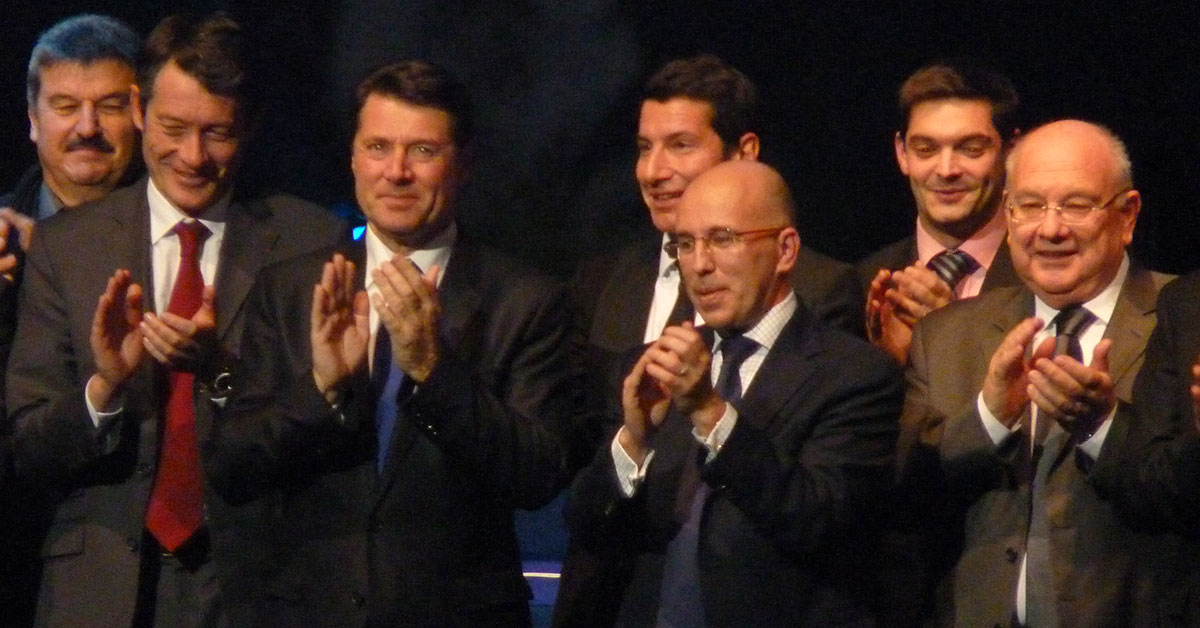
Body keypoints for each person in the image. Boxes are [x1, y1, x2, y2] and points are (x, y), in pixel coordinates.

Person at [203, 60, 576, 627]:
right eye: (378, 147)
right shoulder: (290, 289)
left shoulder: (524, 301)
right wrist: (321, 389)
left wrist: (434, 372)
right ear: (354, 158)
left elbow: (537, 477)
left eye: (422, 151)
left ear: (463, 163)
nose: (396, 172)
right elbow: (232, 467)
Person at [4, 13, 346, 627]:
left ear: (250, 126)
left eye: (217, 133)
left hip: (255, 586)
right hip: (98, 590)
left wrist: (218, 372)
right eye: (174, 128)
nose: (193, 156)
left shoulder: (306, 241)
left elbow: (330, 435)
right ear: (140, 110)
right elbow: (29, 445)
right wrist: (103, 388)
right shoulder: (68, 246)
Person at [556, 55, 862, 626]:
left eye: (680, 145)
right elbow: (581, 460)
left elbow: (817, 488)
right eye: (644, 148)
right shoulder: (602, 281)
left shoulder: (822, 290)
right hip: (614, 603)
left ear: (744, 152)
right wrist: (631, 441)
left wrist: (706, 410)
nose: (654, 171)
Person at [898, 119, 1173, 626]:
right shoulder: (946, 335)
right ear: (1007, 213)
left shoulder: (1181, 318)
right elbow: (905, 500)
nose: (1050, 230)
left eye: (1076, 205)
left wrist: (1104, 426)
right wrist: (988, 419)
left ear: (1127, 214)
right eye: (1029, 206)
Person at [0, 15, 142, 623]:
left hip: (119, 562)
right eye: (65, 106)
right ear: (32, 120)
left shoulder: (184, 240)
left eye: (109, 106)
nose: (87, 128)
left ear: (142, 114)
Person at [859, 59, 1022, 365]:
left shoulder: (1044, 273)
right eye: (926, 149)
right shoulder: (862, 283)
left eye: (971, 149)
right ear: (902, 153)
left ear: (1011, 151)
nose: (946, 170)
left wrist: (951, 331)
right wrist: (888, 365)